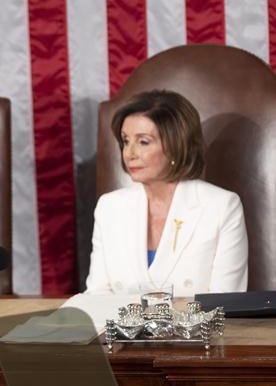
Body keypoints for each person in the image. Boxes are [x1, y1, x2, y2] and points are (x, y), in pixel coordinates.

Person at [85, 89, 248, 297]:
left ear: (175, 146)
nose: (129, 153)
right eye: (126, 141)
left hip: (197, 330)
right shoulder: (109, 207)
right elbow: (97, 295)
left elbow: (226, 301)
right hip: (123, 329)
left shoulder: (222, 206)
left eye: (143, 141)